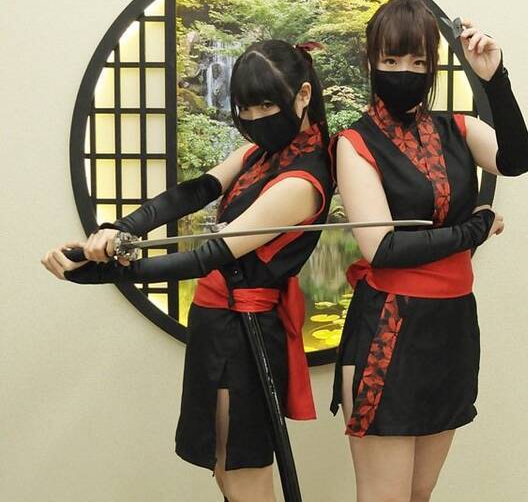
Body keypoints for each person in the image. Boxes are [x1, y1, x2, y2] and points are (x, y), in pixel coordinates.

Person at [41, 39, 333, 502]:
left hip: (246, 333)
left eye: (265, 105)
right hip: (218, 323)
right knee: (222, 467)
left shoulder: (302, 179)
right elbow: (195, 191)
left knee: (243, 473)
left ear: (302, 96)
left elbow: (208, 256)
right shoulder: (260, 154)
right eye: (245, 108)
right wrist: (121, 228)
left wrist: (101, 271)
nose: (254, 118)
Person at [328, 0, 528, 502]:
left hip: (452, 328)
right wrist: (475, 228)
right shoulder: (354, 143)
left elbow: (516, 159)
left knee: (420, 494)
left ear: (433, 68)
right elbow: (382, 247)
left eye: (418, 62)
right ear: (371, 62)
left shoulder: (456, 128)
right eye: (392, 59)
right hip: (389, 330)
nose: (405, 71)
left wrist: (495, 78)